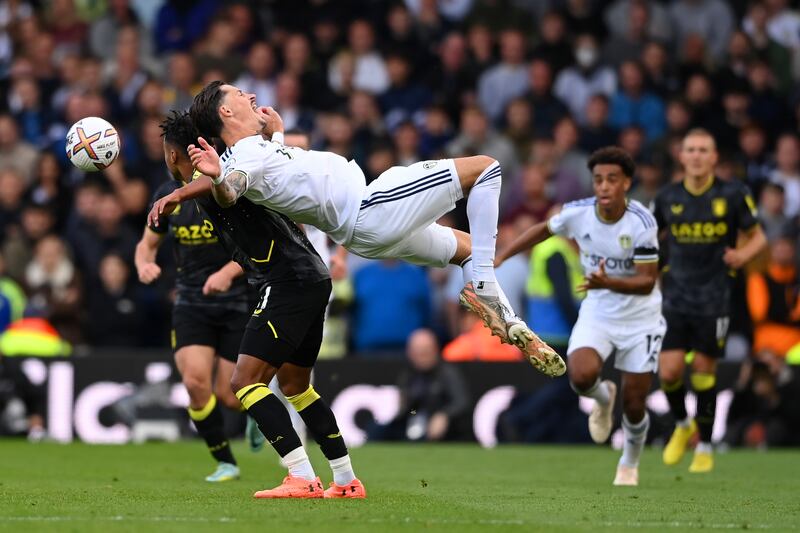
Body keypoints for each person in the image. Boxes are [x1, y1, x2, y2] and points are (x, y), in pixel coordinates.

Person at [163, 81, 563, 377]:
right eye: (238, 94)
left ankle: (510, 324)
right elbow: (233, 189)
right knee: (487, 167)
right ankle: (486, 291)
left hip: (368, 230)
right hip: (372, 207)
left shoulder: (259, 149)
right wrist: (217, 179)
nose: (250, 96)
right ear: (226, 113)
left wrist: (278, 134)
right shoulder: (243, 157)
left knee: (468, 250)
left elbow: (280, 174)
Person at [157, 111, 364, 499]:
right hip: (310, 277)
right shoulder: (243, 164)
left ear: (172, 157)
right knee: (296, 387)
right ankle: (346, 479)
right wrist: (278, 134)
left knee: (243, 382)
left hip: (287, 282)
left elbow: (220, 187)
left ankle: (301, 475)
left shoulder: (221, 177)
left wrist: (178, 193)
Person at [497, 147, 664, 487]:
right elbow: (544, 229)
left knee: (634, 402)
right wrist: (504, 254)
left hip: (639, 317)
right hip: (599, 310)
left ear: (627, 184)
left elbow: (647, 281)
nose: (603, 186)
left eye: (612, 180)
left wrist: (609, 281)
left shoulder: (642, 221)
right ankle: (603, 398)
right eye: (598, 179)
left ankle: (629, 462)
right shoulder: (578, 212)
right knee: (580, 375)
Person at [135, 149, 254, 482]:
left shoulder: (224, 190)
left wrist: (228, 273)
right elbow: (146, 244)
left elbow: (254, 246)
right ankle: (225, 462)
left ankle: (257, 414)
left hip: (235, 303)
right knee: (194, 383)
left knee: (230, 397)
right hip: (191, 303)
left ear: (172, 154)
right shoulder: (164, 196)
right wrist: (144, 263)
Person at [653, 129, 767, 473]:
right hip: (675, 295)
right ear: (682, 156)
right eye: (691, 150)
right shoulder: (667, 196)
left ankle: (703, 444)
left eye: (704, 149)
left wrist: (742, 255)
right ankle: (682, 424)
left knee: (703, 372)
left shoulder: (732, 194)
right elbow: (649, 238)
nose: (698, 155)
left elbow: (758, 236)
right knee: (669, 371)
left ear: (714, 157)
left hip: (715, 297)